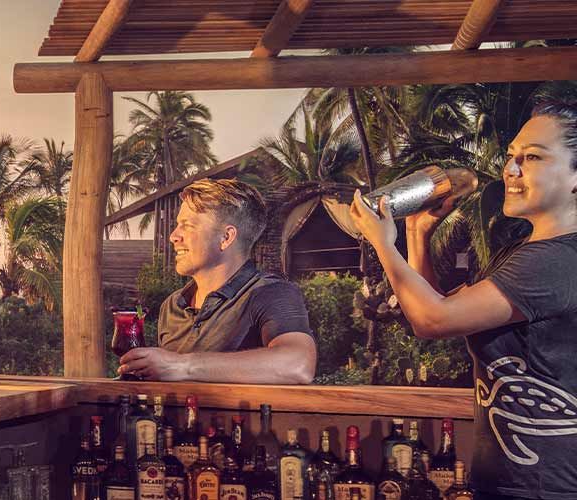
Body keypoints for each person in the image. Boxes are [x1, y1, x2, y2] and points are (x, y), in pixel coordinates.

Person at [350, 101, 577, 499]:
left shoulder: (555, 260)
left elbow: (433, 319)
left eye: (533, 158)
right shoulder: (526, 251)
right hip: (513, 482)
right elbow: (437, 315)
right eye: (511, 157)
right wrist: (417, 234)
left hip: (546, 488)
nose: (511, 170)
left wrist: (384, 245)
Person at [117, 179, 317, 384]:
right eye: (177, 225)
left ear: (226, 237)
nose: (173, 236)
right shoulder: (173, 305)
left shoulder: (271, 293)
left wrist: (182, 365)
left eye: (187, 225)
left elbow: (298, 365)